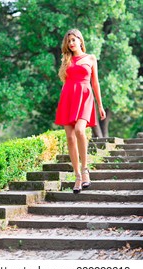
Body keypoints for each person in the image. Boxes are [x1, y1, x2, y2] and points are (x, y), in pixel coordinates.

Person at [55, 28, 106, 194]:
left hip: (85, 97)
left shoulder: (90, 58)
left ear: (80, 40)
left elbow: (95, 83)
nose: (70, 43)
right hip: (68, 97)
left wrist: (100, 105)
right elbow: (65, 82)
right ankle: (77, 175)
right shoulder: (66, 60)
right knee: (69, 137)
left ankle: (85, 170)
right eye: (68, 41)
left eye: (73, 40)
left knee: (79, 131)